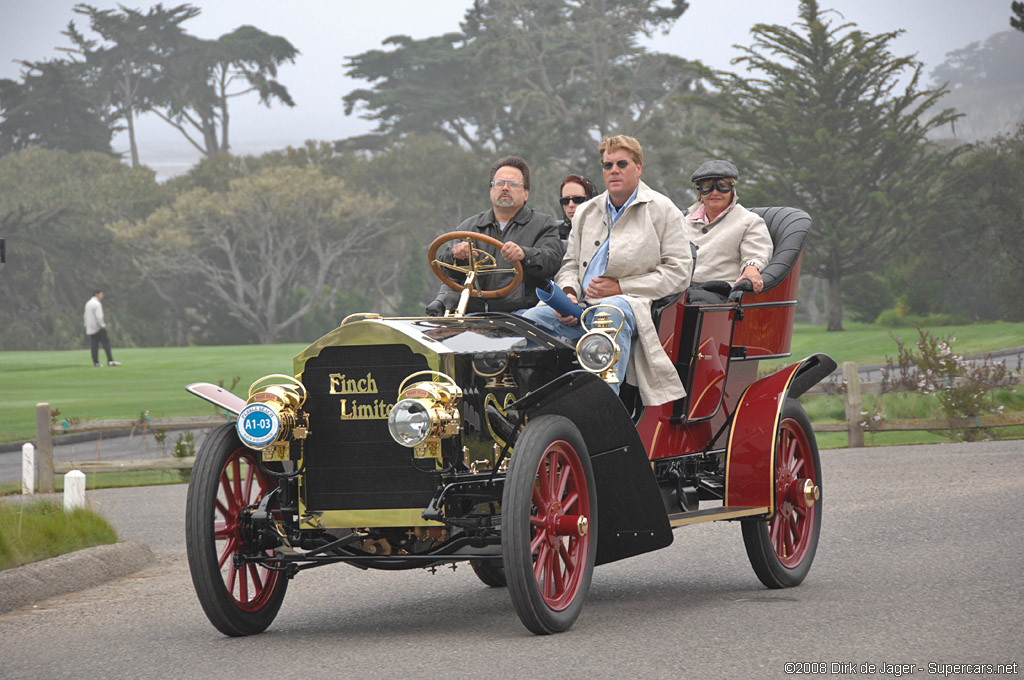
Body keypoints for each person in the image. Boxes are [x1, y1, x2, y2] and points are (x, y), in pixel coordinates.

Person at [520, 135, 692, 405]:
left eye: (621, 163)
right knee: (527, 322)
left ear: (639, 167)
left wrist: (621, 287)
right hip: (581, 306)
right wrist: (567, 294)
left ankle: (601, 412)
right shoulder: (587, 211)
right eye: (607, 165)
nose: (613, 170)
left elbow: (679, 273)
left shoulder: (663, 210)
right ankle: (529, 405)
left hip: (630, 306)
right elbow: (571, 265)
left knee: (609, 315)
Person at [426, 156, 563, 315]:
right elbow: (449, 274)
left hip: (523, 315)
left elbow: (552, 261)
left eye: (512, 184)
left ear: (526, 193)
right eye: (499, 183)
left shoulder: (543, 224)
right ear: (491, 190)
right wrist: (456, 256)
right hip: (473, 314)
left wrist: (524, 254)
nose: (505, 188)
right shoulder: (469, 227)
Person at [683, 159, 773, 295]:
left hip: (718, 294)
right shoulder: (683, 222)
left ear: (732, 189)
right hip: (680, 289)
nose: (715, 192)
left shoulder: (749, 221)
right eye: (707, 187)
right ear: (699, 191)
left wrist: (751, 268)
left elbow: (756, 255)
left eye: (722, 186)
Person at [84, 290, 122, 367]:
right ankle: (110, 360)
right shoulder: (97, 304)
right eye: (101, 294)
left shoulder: (88, 303)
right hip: (98, 328)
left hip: (91, 328)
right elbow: (99, 317)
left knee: (94, 346)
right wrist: (102, 325)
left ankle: (96, 362)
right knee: (106, 344)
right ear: (96, 294)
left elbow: (85, 316)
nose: (102, 296)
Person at [556, 174, 597, 243]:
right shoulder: (553, 235)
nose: (571, 205)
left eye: (578, 199)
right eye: (565, 200)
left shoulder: (606, 231)